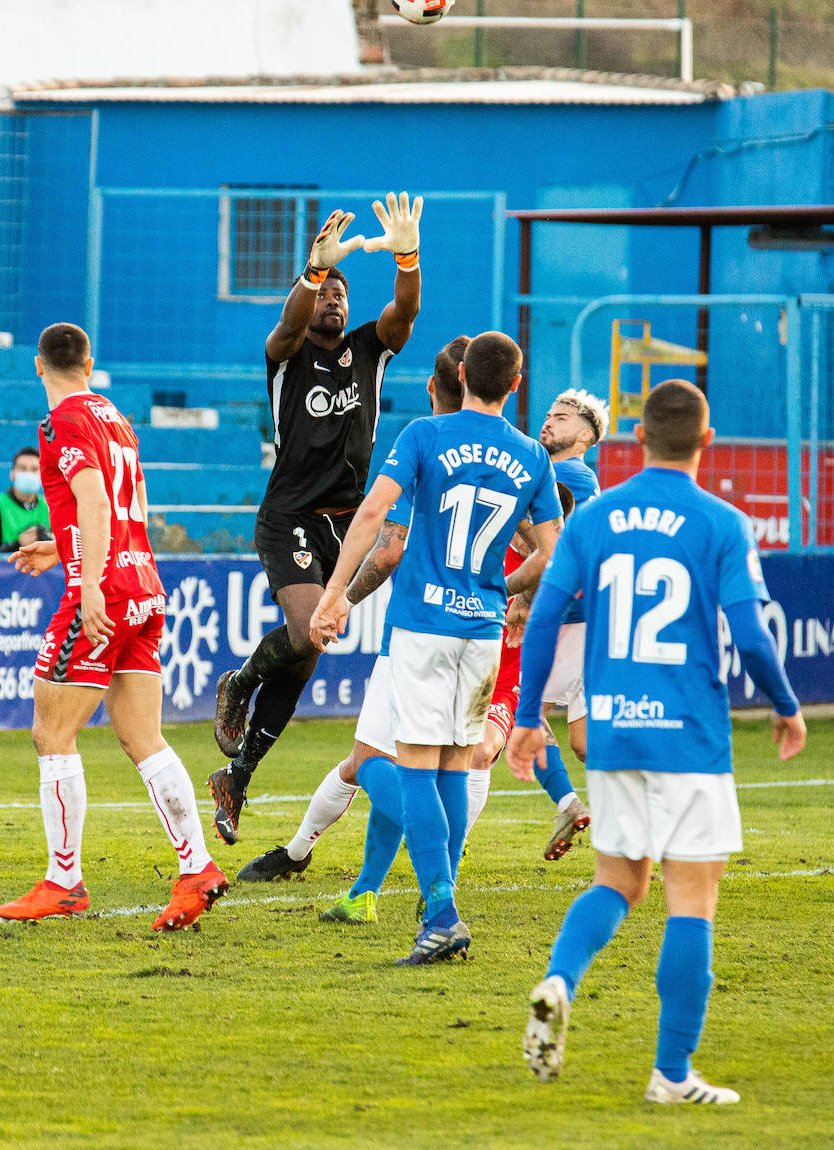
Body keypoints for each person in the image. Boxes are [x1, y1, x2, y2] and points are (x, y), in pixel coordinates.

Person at [508, 378, 807, 1104]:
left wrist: (524, 717)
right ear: (707, 442)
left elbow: (543, 617)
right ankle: (671, 1074)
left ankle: (557, 979)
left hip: (612, 731)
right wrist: (785, 704)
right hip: (689, 739)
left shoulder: (593, 518)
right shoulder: (723, 524)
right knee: (689, 900)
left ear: (637, 438)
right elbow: (751, 634)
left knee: (619, 881)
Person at [311, 331, 561, 965]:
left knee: (416, 764)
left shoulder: (423, 434)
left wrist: (334, 593)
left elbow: (372, 515)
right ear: (516, 383)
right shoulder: (534, 456)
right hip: (482, 634)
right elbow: (551, 553)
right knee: (454, 764)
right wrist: (500, 589)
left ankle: (443, 912)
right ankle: (439, 902)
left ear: (461, 376)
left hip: (422, 625)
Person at [0, 323, 228, 930]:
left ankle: (64, 881)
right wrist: (61, 546)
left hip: (102, 594)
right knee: (140, 735)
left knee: (52, 733)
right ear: (90, 362)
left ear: (39, 368)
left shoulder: (62, 422)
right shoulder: (116, 418)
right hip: (144, 585)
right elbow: (134, 506)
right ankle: (197, 866)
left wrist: (89, 580)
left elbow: (96, 504)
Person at [207, 193, 422, 845]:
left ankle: (234, 781)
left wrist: (407, 258)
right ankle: (239, 682)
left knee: (308, 654)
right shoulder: (287, 354)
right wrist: (311, 272)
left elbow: (405, 312)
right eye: (326, 291)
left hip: (344, 522)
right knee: (304, 636)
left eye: (340, 292)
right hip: (290, 515)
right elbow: (285, 324)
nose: (334, 299)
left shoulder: (369, 349)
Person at [466, 384, 609, 859]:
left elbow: (544, 546)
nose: (549, 421)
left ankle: (633, 789)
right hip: (581, 620)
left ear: (587, 435)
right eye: (549, 414)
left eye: (563, 417)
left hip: (568, 622)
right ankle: (585, 802)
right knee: (579, 741)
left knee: (517, 722)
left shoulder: (569, 474)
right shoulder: (566, 473)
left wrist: (522, 602)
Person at [0, 446, 53, 552]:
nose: (28, 473)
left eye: (35, 469)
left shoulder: (50, 507)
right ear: (12, 474)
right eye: (22, 468)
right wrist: (17, 545)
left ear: (43, 474)